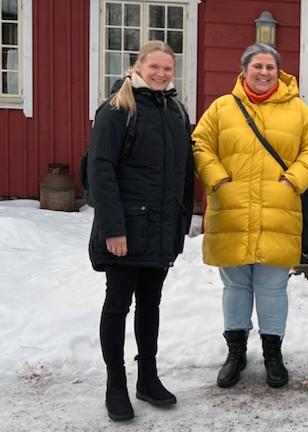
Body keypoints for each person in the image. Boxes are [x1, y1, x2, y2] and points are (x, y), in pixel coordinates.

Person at [192, 43, 308, 390]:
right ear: (244, 69)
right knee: (235, 286)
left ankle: (272, 354)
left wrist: (293, 180)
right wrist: (218, 180)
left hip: (278, 210)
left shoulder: (297, 109)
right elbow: (200, 145)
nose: (264, 72)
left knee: (272, 288)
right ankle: (235, 353)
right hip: (232, 210)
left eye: (270, 66)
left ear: (278, 71)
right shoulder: (222, 108)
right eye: (257, 66)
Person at [87, 40, 194, 421]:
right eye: (155, 67)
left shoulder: (175, 111)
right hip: (126, 232)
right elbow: (99, 171)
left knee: (151, 305)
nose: (162, 74)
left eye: (168, 68)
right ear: (138, 66)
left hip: (161, 231)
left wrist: (181, 224)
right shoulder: (118, 109)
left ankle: (147, 377)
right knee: (117, 306)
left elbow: (184, 173)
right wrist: (113, 229)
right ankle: (115, 383)